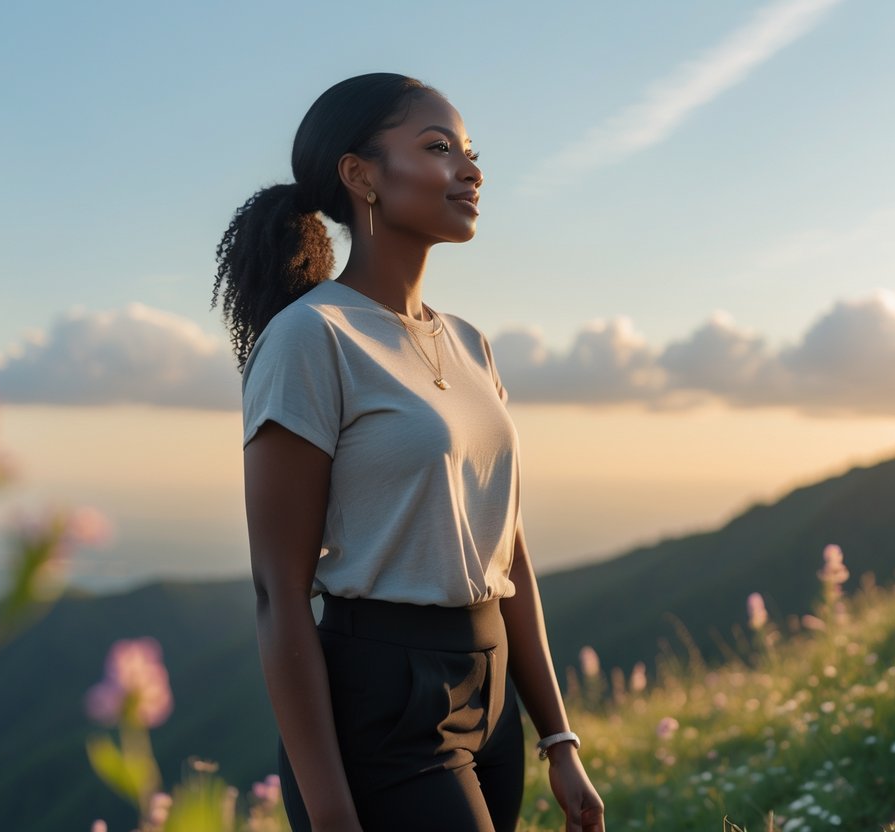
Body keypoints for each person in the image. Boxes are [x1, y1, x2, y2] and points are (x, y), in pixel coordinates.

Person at [211, 73, 605, 832]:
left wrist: (557, 738)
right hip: (385, 698)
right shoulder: (310, 337)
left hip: (490, 695)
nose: (470, 169)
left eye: (469, 151)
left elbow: (506, 553)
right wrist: (329, 811)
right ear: (360, 176)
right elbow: (278, 592)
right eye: (437, 148)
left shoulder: (468, 343)